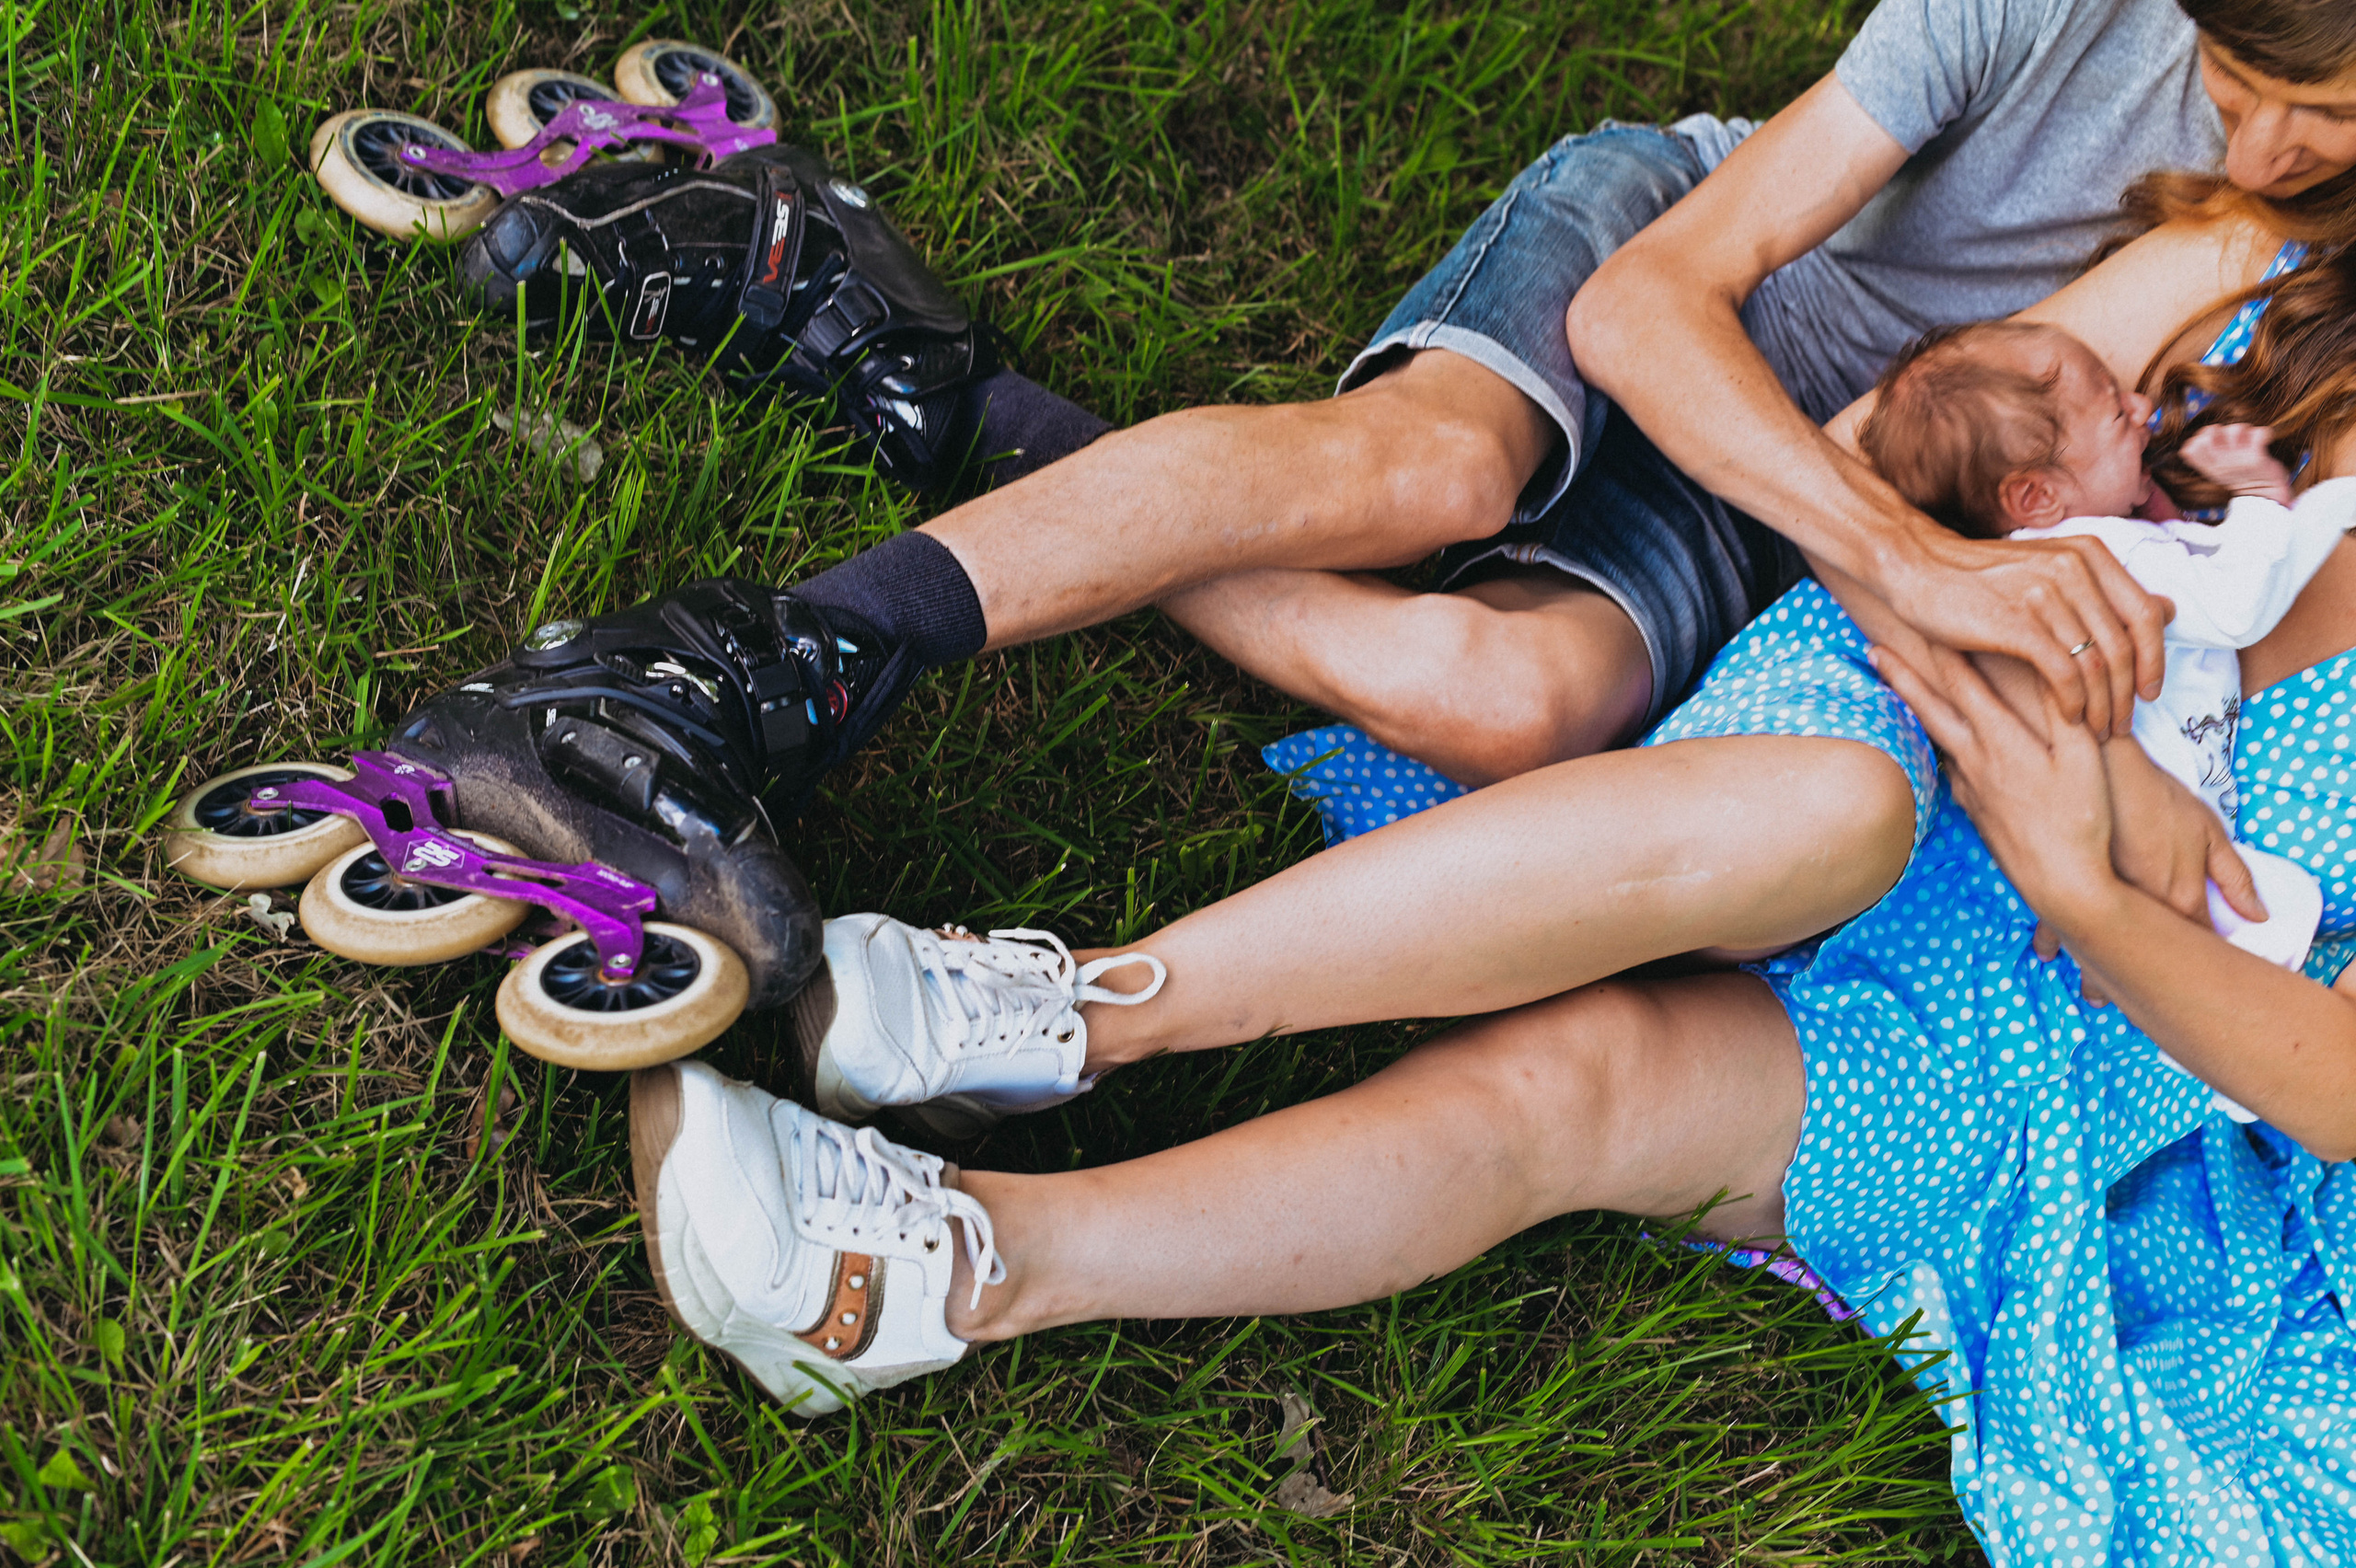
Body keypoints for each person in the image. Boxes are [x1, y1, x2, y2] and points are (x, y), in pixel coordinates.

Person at [425, 0, 2356, 1026]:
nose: (2261, 155)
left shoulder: (2291, 235)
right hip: (1675, 264)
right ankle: (740, 673)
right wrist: (1917, 561)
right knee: (1439, 468)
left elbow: (1919, 430)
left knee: (1498, 702)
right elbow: (1649, 307)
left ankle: (930, 384)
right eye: (2242, 83)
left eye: (2322, 125)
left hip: (1802, 475)